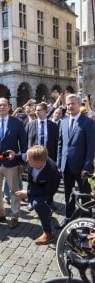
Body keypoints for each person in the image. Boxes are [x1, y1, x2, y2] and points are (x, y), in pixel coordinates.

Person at [0, 97, 27, 229]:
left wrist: (21, 161)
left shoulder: (17, 123)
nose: (1, 107)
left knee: (15, 191)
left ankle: (15, 216)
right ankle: (0, 213)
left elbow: (23, 144)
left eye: (4, 105)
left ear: (9, 107)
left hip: (11, 162)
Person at [56, 94, 95, 229]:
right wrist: (59, 163)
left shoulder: (88, 122)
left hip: (81, 167)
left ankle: (87, 220)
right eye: (68, 104)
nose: (70, 106)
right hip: (66, 165)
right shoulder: (63, 121)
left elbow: (91, 147)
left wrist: (86, 166)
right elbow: (60, 144)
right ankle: (68, 216)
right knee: (68, 193)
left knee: (85, 194)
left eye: (73, 103)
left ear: (79, 104)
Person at [15, 146, 60, 245]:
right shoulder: (32, 157)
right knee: (38, 205)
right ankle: (47, 212)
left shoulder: (53, 172)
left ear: (38, 162)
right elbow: (23, 156)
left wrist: (27, 193)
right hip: (35, 184)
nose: (26, 161)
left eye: (29, 160)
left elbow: (48, 190)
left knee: (37, 204)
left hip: (47, 189)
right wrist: (14, 155)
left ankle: (48, 234)